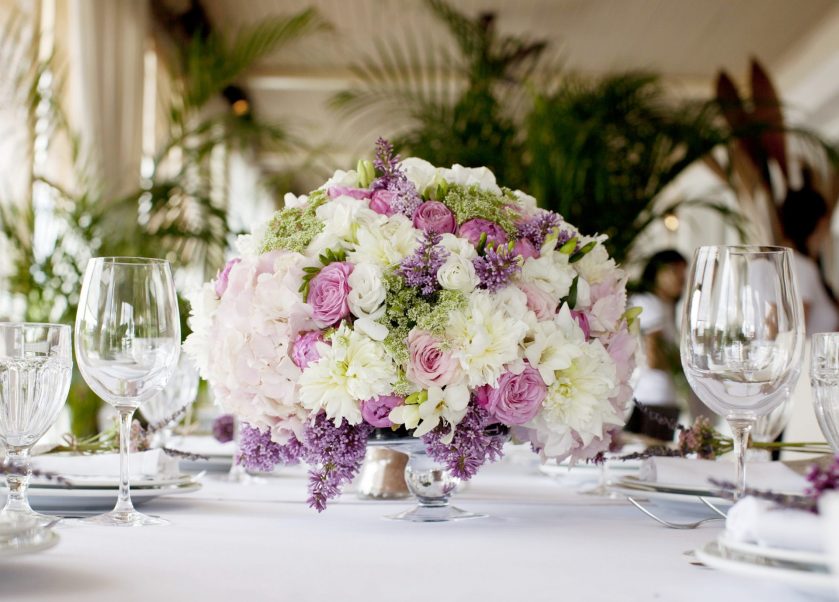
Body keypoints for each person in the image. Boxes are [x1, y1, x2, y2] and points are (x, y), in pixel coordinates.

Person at [626, 250, 688, 438]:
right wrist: (687, 364)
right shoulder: (650, 304)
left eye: (683, 272)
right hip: (651, 397)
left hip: (657, 397)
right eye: (673, 271)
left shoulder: (663, 306)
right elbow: (653, 357)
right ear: (655, 272)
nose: (680, 279)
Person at [779, 184, 839, 334]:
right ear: (820, 223)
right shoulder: (801, 268)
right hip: (811, 357)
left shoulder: (800, 265)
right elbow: (795, 334)